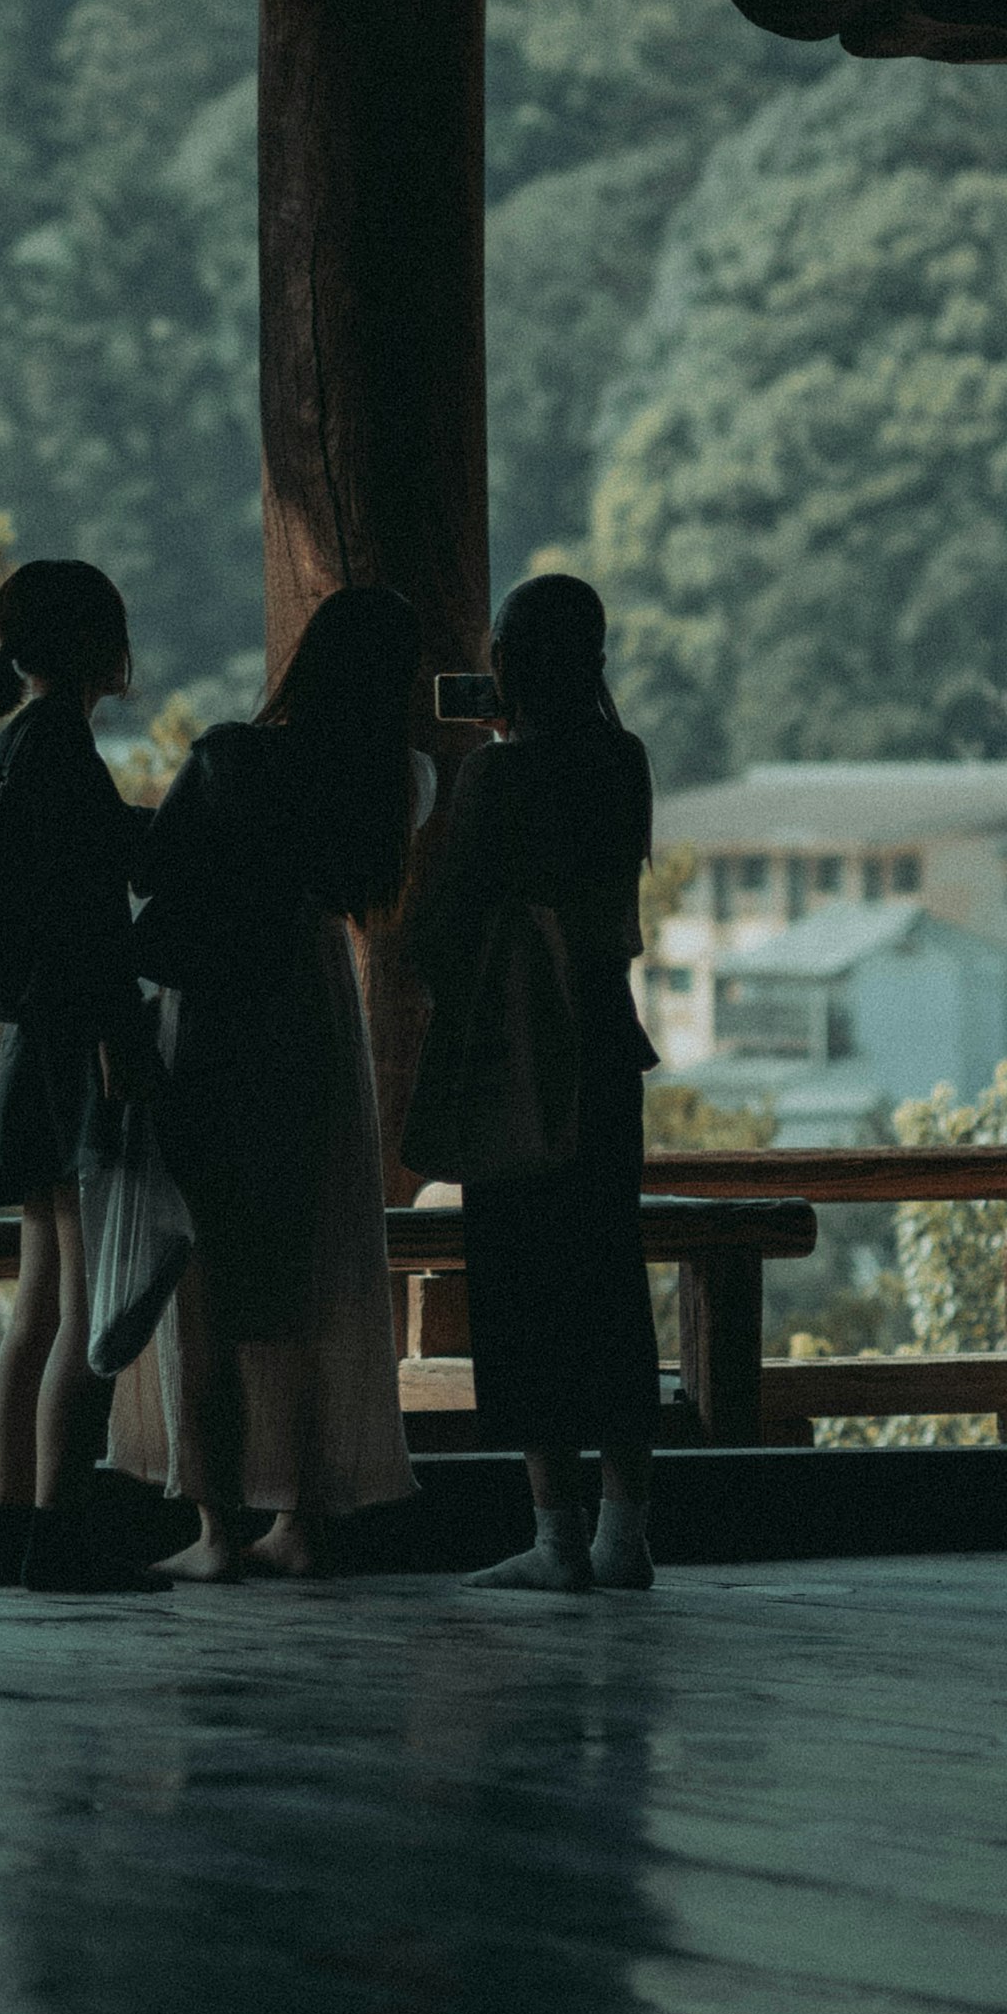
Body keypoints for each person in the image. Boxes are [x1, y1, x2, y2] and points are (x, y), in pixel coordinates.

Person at [109, 580, 424, 1580]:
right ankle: (309, 1513)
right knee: (303, 1273)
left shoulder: (230, 757)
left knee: (208, 1275)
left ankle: (214, 1526)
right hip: (314, 1017)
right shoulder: (399, 777)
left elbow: (155, 874)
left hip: (221, 1019)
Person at [409, 570, 662, 1592]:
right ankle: (627, 1530)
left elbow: (444, 928)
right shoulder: (625, 761)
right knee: (608, 1277)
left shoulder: (497, 779)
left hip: (519, 1052)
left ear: (509, 662)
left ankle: (556, 1533)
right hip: (607, 1041)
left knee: (520, 1282)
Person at [0, 559, 160, 1593]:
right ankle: (63, 1529)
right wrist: (126, 1040)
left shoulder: (18, 744)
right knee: (86, 1297)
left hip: (31, 1042)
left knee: (37, 1298)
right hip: (79, 1037)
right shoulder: (64, 748)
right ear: (99, 645)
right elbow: (90, 917)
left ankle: (12, 1521)